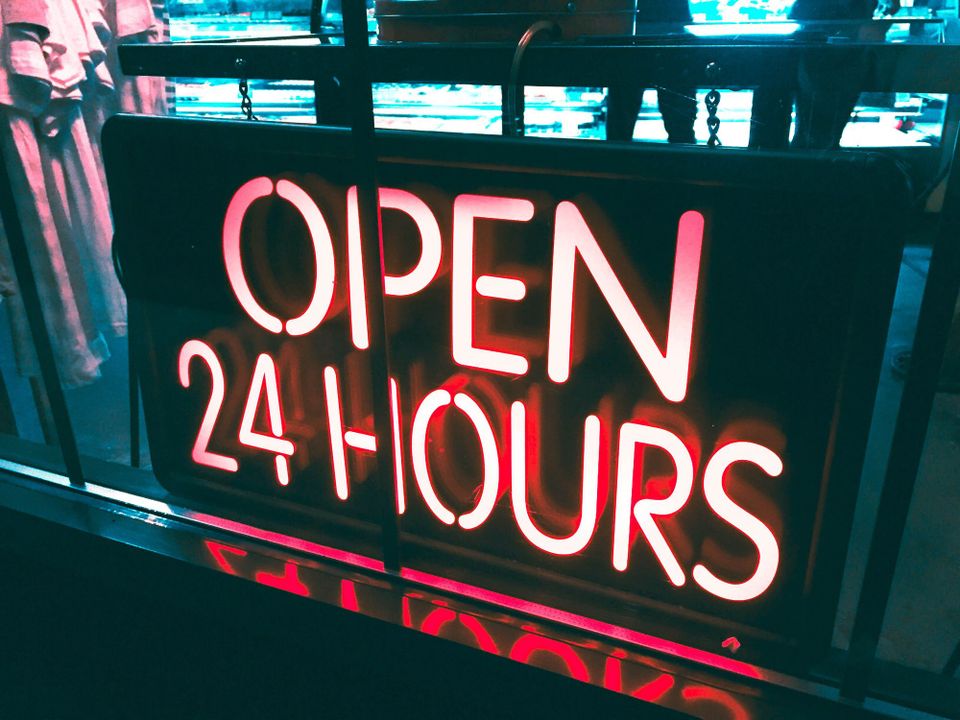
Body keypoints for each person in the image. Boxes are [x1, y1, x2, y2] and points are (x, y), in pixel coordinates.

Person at [749, 0, 900, 150]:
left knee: (806, 132)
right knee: (819, 135)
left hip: (827, 43)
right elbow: (889, 10)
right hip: (843, 45)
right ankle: (810, 164)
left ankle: (791, 164)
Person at [606, 0, 697, 143]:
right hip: (672, 27)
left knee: (621, 119)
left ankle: (613, 160)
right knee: (680, 122)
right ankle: (684, 160)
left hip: (632, 28)